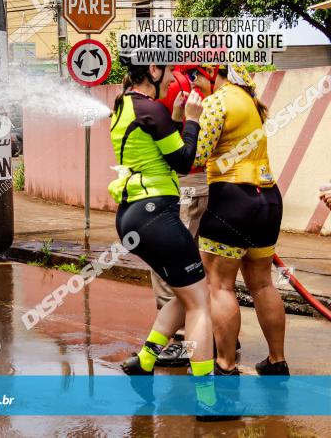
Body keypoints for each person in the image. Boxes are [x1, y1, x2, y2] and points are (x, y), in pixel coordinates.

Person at [109, 55, 234, 421]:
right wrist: (193, 119)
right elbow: (183, 160)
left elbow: (157, 149)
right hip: (155, 214)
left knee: (187, 288)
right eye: (166, 68)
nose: (173, 76)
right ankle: (208, 401)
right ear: (152, 71)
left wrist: (177, 118)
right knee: (200, 301)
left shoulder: (125, 106)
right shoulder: (150, 108)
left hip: (133, 216)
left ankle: (145, 360)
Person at [194, 64, 288, 376]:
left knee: (220, 285)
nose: (194, 81)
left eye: (197, 75)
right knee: (262, 283)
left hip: (232, 198)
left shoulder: (217, 102)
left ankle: (225, 365)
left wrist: (188, 121)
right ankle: (277, 360)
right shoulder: (252, 103)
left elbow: (197, 155)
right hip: (268, 198)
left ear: (212, 74)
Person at [151, 65, 217, 367]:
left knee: (169, 265)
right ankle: (213, 332)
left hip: (185, 184)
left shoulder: (176, 84)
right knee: (202, 266)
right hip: (210, 183)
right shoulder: (213, 85)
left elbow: (171, 142)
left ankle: (178, 340)